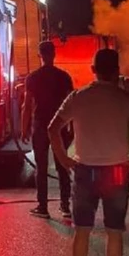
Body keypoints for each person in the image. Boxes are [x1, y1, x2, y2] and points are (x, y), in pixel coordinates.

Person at [48, 48, 129, 256]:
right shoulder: (124, 98)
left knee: (82, 230)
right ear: (117, 70)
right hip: (117, 171)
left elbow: (53, 128)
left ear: (93, 70)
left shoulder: (78, 97)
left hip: (84, 170)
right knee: (114, 231)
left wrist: (64, 159)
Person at [22, 40, 74, 219]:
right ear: (54, 54)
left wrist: (24, 128)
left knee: (41, 167)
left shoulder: (33, 78)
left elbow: (27, 106)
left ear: (40, 55)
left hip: (41, 125)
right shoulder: (64, 76)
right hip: (60, 126)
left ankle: (42, 207)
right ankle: (65, 206)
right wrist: (71, 127)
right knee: (62, 166)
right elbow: (70, 103)